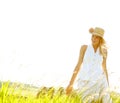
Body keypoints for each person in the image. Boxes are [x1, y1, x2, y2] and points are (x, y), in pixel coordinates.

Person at [66, 27, 112, 103]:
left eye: (96, 37)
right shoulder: (84, 48)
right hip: (85, 80)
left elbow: (104, 68)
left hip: (100, 82)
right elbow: (78, 65)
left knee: (106, 101)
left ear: (100, 39)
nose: (93, 39)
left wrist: (108, 86)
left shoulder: (104, 51)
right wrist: (70, 84)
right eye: (93, 36)